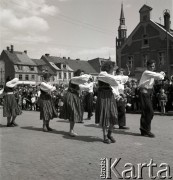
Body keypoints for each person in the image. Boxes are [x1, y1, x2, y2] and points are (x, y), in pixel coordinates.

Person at [95, 61, 123, 144]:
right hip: (103, 96)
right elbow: (113, 79)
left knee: (114, 115)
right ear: (109, 67)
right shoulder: (102, 74)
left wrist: (118, 95)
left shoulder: (110, 76)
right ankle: (104, 136)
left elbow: (115, 85)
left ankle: (109, 134)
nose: (114, 69)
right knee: (105, 115)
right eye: (113, 67)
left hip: (110, 95)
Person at [138, 60, 165, 137]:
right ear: (148, 66)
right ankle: (146, 130)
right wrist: (162, 73)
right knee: (149, 111)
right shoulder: (147, 72)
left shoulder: (151, 74)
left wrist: (161, 74)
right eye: (151, 66)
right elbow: (160, 76)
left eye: (153, 66)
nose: (153, 68)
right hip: (144, 92)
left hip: (148, 93)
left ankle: (144, 130)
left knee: (146, 112)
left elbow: (160, 78)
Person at [60, 69, 91, 137]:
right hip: (71, 97)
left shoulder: (77, 82)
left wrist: (89, 85)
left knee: (74, 113)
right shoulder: (73, 79)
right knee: (73, 112)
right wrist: (88, 77)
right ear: (77, 74)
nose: (82, 75)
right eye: (81, 74)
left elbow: (85, 87)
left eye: (82, 74)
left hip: (75, 97)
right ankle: (71, 130)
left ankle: (71, 130)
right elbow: (83, 79)